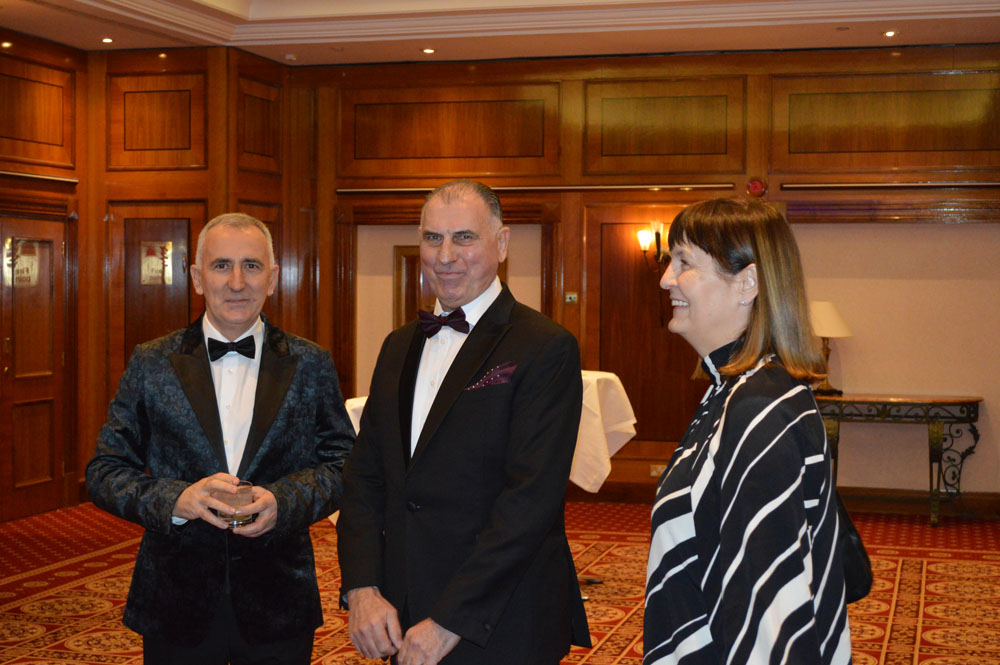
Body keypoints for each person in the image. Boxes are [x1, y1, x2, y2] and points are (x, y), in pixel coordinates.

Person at [337, 179, 591, 665]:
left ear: (501, 243)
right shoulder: (397, 345)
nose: (445, 255)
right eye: (433, 238)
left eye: (464, 238)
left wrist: (451, 618)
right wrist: (363, 586)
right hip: (403, 607)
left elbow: (529, 500)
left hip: (499, 618)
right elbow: (364, 475)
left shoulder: (545, 346)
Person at [86, 212, 355, 665]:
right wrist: (178, 500)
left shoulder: (310, 363)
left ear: (273, 278)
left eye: (251, 266)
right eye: (221, 265)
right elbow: (104, 470)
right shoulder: (152, 362)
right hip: (176, 600)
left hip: (278, 599)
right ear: (196, 277)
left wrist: (283, 501)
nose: (236, 282)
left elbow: (344, 463)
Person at [643, 198, 851, 665]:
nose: (666, 279)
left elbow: (771, 612)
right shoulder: (732, 391)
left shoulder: (758, 410)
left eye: (685, 263)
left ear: (748, 283)